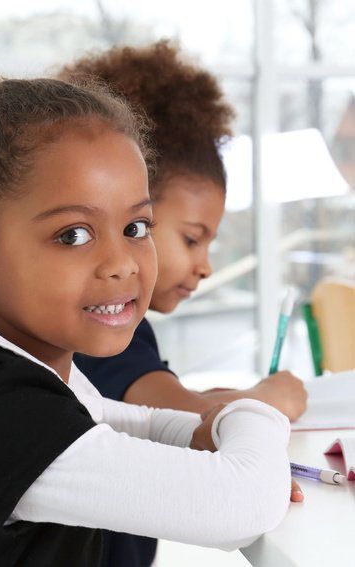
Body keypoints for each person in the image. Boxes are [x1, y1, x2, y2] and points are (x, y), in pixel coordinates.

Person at [0, 73, 294, 567]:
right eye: (73, 235)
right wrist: (254, 414)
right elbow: (242, 506)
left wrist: (205, 430)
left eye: (136, 227)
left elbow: (123, 419)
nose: (122, 263)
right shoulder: (2, 413)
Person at [60, 41, 307, 567]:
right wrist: (268, 401)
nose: (206, 266)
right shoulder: (95, 329)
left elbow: (155, 418)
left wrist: (231, 407)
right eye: (192, 239)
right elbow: (183, 419)